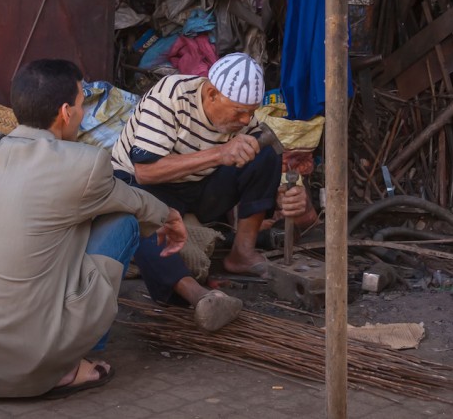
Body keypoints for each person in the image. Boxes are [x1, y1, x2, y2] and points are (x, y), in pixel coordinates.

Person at [0, 59, 186, 398]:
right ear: (66, 112)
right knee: (121, 221)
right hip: (31, 363)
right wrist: (169, 215)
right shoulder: (84, 163)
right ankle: (69, 363)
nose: (83, 113)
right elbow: (132, 201)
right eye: (82, 104)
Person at [111, 52, 308, 331]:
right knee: (139, 220)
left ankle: (242, 254)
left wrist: (286, 187)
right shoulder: (170, 97)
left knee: (264, 155)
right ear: (212, 94)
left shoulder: (242, 118)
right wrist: (219, 154)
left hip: (195, 188)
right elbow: (146, 171)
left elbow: (260, 153)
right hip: (144, 185)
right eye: (239, 111)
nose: (245, 119)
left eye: (251, 112)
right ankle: (200, 296)